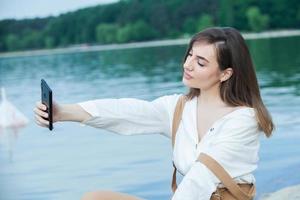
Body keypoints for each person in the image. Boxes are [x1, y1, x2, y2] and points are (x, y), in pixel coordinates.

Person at [34, 27, 274, 200]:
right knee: (96, 198)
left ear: (225, 74)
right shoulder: (180, 107)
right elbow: (126, 112)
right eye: (190, 54)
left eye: (201, 62)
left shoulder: (243, 119)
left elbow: (200, 179)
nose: (188, 64)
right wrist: (64, 112)